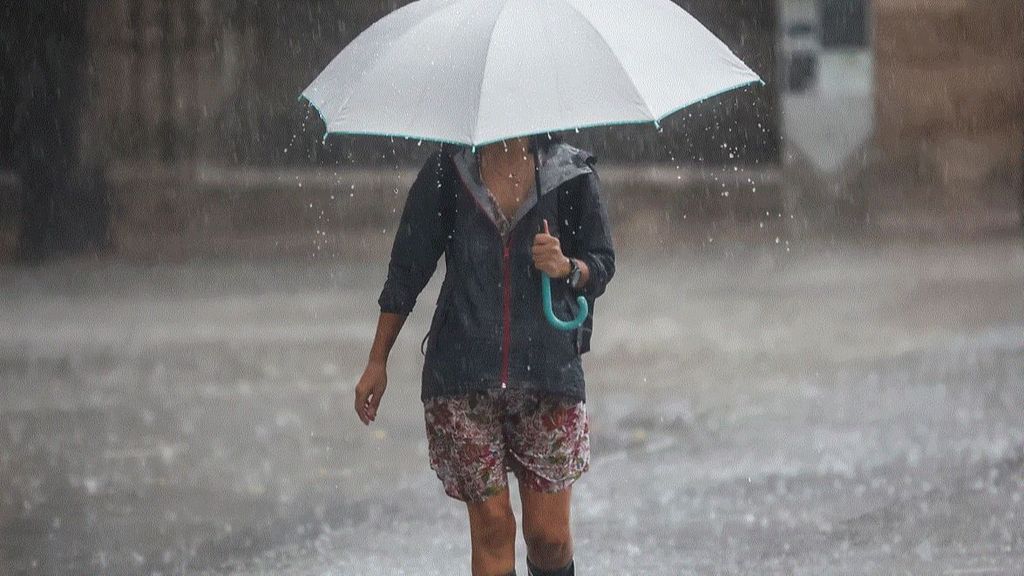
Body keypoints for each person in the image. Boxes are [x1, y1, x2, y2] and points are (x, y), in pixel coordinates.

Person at [354, 134, 615, 576]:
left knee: (549, 538)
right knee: (493, 528)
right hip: (462, 373)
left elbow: (601, 261)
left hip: (548, 372)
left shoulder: (570, 175)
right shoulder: (447, 173)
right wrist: (378, 358)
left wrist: (568, 267)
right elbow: (406, 268)